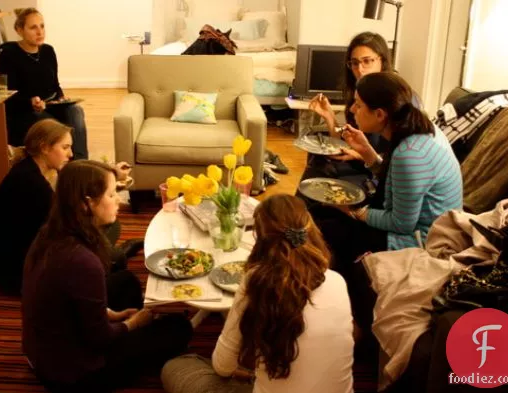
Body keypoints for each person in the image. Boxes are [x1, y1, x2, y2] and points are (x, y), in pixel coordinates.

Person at [22, 160, 192, 393]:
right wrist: (131, 324)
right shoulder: (82, 261)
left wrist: (112, 314)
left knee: (126, 280)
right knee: (179, 328)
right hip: (74, 374)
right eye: (111, 195)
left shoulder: (50, 233)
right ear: (86, 203)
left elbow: (70, 301)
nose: (119, 201)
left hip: (46, 348)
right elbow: (99, 338)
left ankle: (138, 337)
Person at [161, 194, 354, 393]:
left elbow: (222, 366)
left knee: (176, 367)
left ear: (261, 240)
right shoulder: (337, 281)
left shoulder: (256, 281)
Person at [316, 72, 463, 329]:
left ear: (380, 114)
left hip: (423, 239)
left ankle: (344, 318)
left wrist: (354, 212)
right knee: (322, 211)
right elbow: (398, 183)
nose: (352, 109)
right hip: (409, 223)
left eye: (359, 105)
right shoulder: (416, 132)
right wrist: (368, 154)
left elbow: (402, 223)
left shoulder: (411, 153)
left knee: (329, 228)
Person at [0, 119, 139, 295]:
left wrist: (111, 173)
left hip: (34, 256)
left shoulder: (36, 169)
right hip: (22, 275)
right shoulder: (31, 183)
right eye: (65, 147)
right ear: (45, 147)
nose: (70, 154)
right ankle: (113, 255)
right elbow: (72, 222)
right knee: (107, 233)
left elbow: (77, 179)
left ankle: (111, 255)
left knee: (110, 225)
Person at [297, 32, 394, 196]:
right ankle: (297, 215)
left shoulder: (394, 97)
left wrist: (359, 155)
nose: (360, 69)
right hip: (359, 161)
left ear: (382, 61)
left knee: (320, 178)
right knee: (317, 163)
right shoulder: (359, 91)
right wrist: (329, 116)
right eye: (354, 63)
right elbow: (344, 141)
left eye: (367, 61)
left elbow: (394, 163)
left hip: (376, 173)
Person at [0, 7, 88, 159]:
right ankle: (68, 162)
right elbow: (6, 95)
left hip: (50, 106)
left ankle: (79, 162)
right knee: (54, 126)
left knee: (75, 111)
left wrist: (61, 99)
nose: (40, 32)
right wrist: (30, 102)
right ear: (19, 30)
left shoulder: (48, 51)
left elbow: (55, 85)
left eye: (42, 26)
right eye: (33, 27)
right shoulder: (9, 54)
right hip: (24, 112)